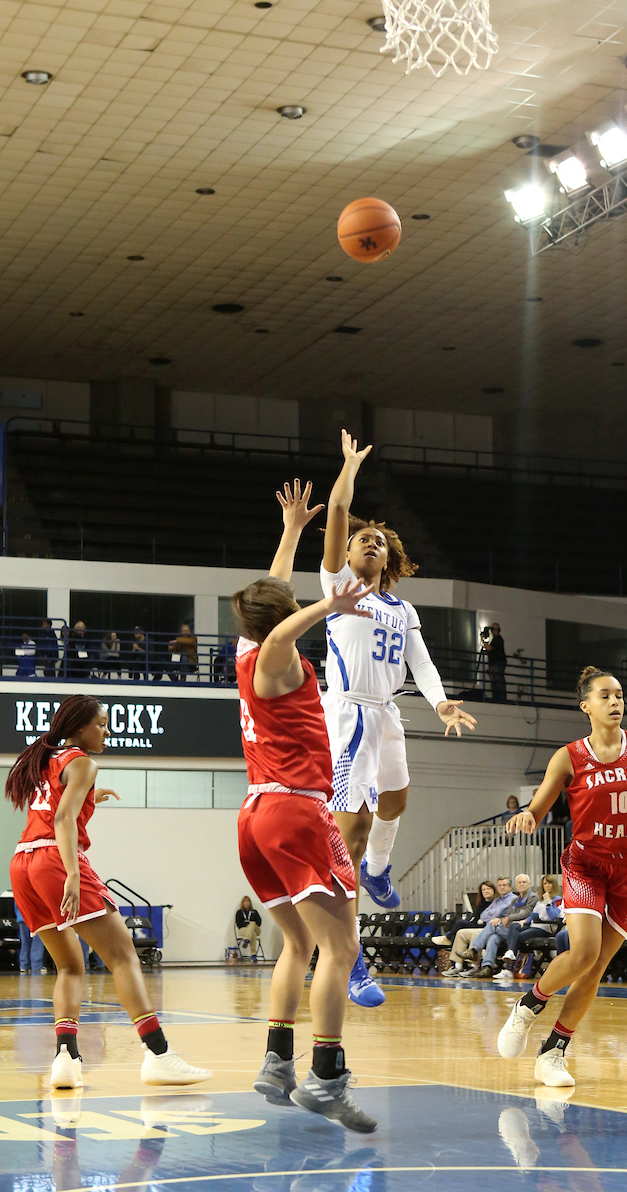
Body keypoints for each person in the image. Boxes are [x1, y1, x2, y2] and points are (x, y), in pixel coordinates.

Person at [231, 477, 377, 1132]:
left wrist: (291, 531)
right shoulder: (274, 657)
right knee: (340, 951)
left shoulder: (245, 649)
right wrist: (328, 603)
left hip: (256, 818)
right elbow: (285, 621)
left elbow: (269, 598)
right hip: (294, 811)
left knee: (295, 943)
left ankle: (275, 1061)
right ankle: (324, 1077)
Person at [495, 666, 627, 1087]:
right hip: (586, 866)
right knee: (583, 954)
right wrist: (525, 815)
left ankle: (553, 1052)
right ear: (586, 706)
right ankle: (527, 1007)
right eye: (605, 696)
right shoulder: (569, 756)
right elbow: (537, 810)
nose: (615, 702)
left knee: (595, 970)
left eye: (619, 695)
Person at [320, 430, 476, 1008]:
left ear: (390, 558)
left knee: (398, 801)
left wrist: (438, 701)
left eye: (377, 542)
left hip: (387, 713)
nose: (368, 544)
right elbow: (338, 510)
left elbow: (421, 661)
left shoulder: (402, 608)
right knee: (348, 838)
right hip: (347, 712)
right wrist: (349, 469)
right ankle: (352, 957)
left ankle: (381, 871)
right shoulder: (338, 587)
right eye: (361, 539)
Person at [5, 695, 210, 1090]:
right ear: (80, 727)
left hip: (22, 865)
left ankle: (66, 1058)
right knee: (123, 956)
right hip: (53, 859)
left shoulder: (46, 759)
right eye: (101, 724)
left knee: (69, 966)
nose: (107, 730)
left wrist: (88, 799)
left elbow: (54, 805)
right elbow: (62, 818)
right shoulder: (83, 762)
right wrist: (70, 873)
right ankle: (159, 1054)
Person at [442, 876, 515, 977]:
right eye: (500, 885)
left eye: (504, 885)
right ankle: (459, 966)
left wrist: (492, 915)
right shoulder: (497, 900)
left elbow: (499, 911)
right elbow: (483, 915)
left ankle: (474, 963)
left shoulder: (513, 899)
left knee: (480, 931)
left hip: (505, 929)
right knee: (461, 932)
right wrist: (493, 916)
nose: (502, 887)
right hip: (493, 929)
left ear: (510, 887)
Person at [469, 873, 536, 979]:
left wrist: (507, 919)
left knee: (492, 926)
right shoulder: (515, 900)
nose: (522, 884)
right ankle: (487, 967)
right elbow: (504, 915)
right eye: (519, 882)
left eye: (524, 882)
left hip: (523, 928)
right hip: (510, 928)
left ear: (529, 884)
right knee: (493, 937)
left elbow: (525, 913)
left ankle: (474, 950)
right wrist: (501, 919)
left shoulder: (533, 897)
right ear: (516, 885)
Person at [432, 880, 497, 947]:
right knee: (456, 930)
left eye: (488, 889)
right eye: (483, 890)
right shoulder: (481, 904)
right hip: (476, 924)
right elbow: (475, 917)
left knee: (460, 923)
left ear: (493, 890)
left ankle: (447, 939)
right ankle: (450, 943)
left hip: (485, 926)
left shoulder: (496, 903)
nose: (486, 891)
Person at [15, 901, 46, 973]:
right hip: (36, 916)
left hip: (22, 916)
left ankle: (24, 965)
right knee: (37, 942)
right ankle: (36, 965)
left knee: (25, 942)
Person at [484, 622, 507, 703]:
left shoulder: (498, 639)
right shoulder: (494, 640)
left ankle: (501, 698)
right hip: (494, 663)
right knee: (494, 681)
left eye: (494, 629)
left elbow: (489, 648)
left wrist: (483, 641)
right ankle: (496, 697)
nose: (492, 631)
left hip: (498, 662)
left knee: (498, 680)